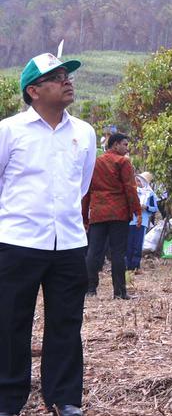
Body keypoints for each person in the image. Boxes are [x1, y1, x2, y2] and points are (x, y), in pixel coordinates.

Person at [0, 52, 95, 416]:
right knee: (11, 323)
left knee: (66, 323)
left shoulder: (84, 133)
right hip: (18, 242)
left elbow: (82, 185)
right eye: (56, 77)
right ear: (34, 90)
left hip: (69, 244)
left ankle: (64, 398)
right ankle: (8, 400)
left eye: (67, 75)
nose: (66, 80)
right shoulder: (10, 131)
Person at [83, 131, 140, 300]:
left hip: (98, 212)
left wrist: (84, 215)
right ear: (115, 145)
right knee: (117, 252)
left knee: (93, 251)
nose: (127, 148)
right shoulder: (122, 162)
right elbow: (130, 188)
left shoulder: (94, 163)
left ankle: (90, 289)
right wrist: (136, 211)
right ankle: (119, 292)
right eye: (125, 144)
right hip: (118, 212)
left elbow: (86, 191)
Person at [128, 172, 159, 275]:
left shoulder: (149, 194)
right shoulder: (132, 192)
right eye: (136, 180)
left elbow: (155, 209)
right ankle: (127, 266)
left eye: (139, 181)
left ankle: (135, 266)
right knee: (128, 244)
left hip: (142, 222)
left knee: (137, 244)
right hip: (130, 220)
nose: (137, 183)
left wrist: (146, 207)